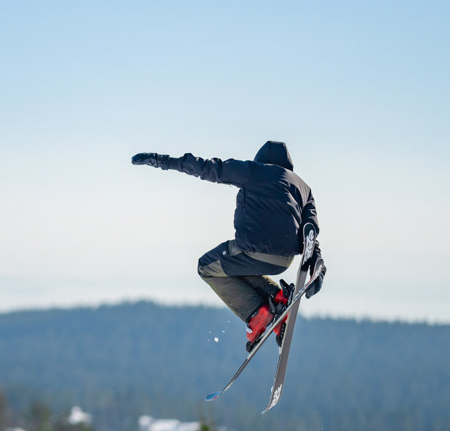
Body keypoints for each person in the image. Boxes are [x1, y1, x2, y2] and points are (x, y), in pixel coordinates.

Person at [132, 141, 325, 350]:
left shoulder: (253, 171)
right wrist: (318, 268)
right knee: (233, 268)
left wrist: (162, 161)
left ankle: (258, 315)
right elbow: (311, 232)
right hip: (284, 260)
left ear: (260, 160)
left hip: (252, 248)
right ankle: (276, 300)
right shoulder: (303, 187)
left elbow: (207, 167)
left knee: (206, 267)